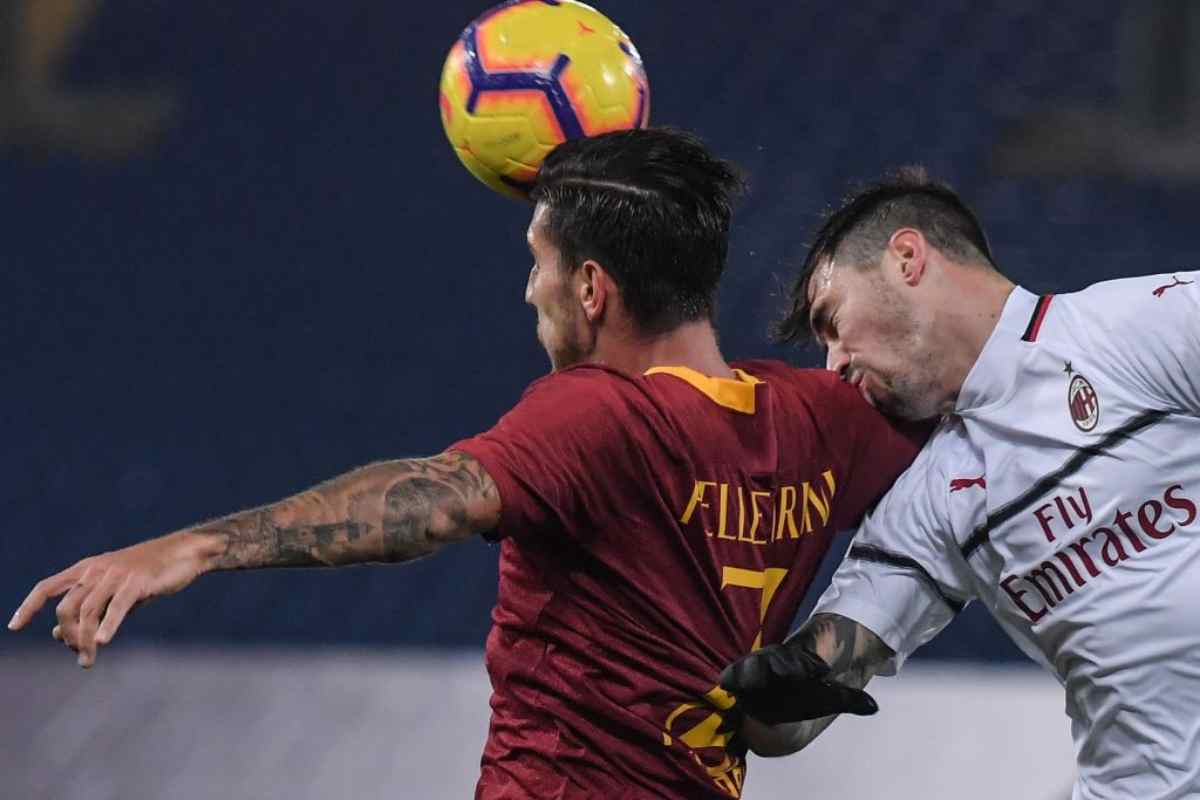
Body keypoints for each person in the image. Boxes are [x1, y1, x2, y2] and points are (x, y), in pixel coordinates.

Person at [8, 129, 923, 800]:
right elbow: (965, 457)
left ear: (593, 288)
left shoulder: (598, 414)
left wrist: (197, 548)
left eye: (538, 262)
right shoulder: (818, 421)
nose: (529, 288)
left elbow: (433, 500)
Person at [720, 167, 1200, 799]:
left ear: (907, 258)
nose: (833, 363)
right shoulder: (926, 501)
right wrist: (775, 693)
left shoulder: (1138, 328)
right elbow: (794, 716)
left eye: (832, 320)